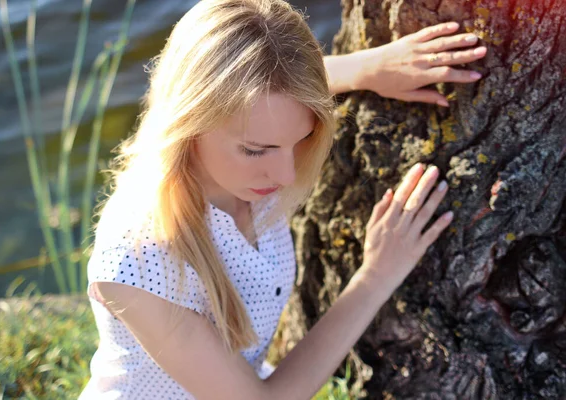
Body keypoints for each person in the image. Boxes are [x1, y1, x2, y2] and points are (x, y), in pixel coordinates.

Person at [79, 1, 487, 399]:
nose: (286, 175)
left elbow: (268, 96)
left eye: (301, 139)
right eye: (257, 150)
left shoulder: (249, 143)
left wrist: (368, 68)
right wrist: (375, 277)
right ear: (190, 121)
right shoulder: (139, 261)